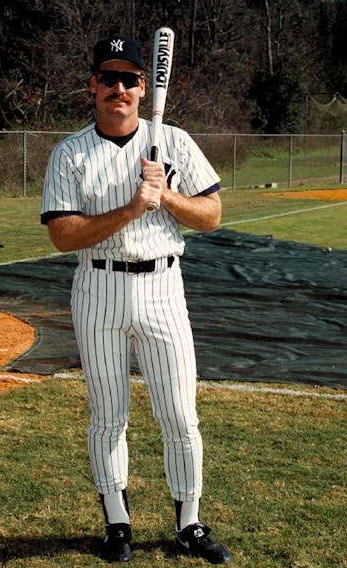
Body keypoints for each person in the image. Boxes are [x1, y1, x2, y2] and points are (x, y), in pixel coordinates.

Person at [41, 35, 232, 565]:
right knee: (108, 415)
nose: (119, 88)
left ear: (144, 88)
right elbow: (62, 234)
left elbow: (212, 216)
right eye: (109, 78)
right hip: (98, 289)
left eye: (129, 79)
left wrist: (165, 194)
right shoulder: (70, 153)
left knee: (179, 415)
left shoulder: (173, 140)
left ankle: (189, 523)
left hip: (163, 288)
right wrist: (132, 207)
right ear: (93, 86)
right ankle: (117, 523)